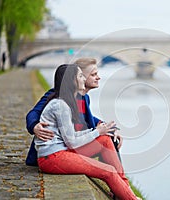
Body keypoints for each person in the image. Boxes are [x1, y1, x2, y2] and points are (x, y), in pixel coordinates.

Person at [34, 64, 138, 200]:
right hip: (52, 157)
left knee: (105, 140)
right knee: (108, 171)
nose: (84, 79)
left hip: (61, 151)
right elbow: (71, 142)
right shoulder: (60, 105)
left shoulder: (66, 102)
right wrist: (97, 132)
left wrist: (100, 131)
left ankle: (124, 189)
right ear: (72, 81)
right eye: (80, 76)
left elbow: (71, 137)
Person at [25, 58, 122, 166]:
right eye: (93, 75)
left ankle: (118, 177)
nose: (98, 77)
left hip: (75, 145)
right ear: (79, 77)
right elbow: (33, 113)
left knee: (110, 138)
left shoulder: (85, 98)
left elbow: (88, 119)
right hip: (56, 151)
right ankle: (116, 176)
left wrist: (110, 128)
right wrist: (34, 126)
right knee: (105, 143)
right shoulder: (58, 96)